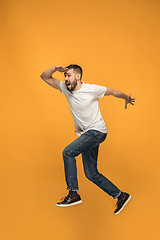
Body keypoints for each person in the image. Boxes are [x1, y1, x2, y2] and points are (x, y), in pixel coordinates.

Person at [40, 64, 135, 215]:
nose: (65, 79)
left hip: (97, 131)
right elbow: (44, 76)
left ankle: (73, 193)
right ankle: (121, 195)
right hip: (87, 135)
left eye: (69, 75)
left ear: (78, 76)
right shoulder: (65, 88)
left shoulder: (91, 89)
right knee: (91, 174)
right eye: (65, 76)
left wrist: (126, 98)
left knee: (68, 152)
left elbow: (113, 92)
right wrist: (55, 69)